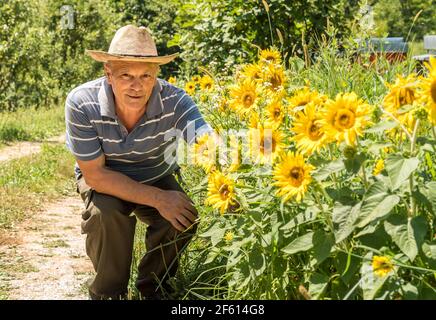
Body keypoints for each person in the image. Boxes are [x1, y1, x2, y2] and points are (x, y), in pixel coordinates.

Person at [64, 25, 213, 300]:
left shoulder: (175, 100)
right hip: (105, 176)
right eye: (126, 75)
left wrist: (225, 162)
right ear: (108, 73)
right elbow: (95, 175)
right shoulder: (82, 103)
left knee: (183, 215)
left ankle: (153, 287)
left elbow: (205, 139)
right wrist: (158, 199)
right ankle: (108, 293)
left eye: (146, 75)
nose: (137, 85)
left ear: (156, 74)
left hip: (155, 172)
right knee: (104, 214)